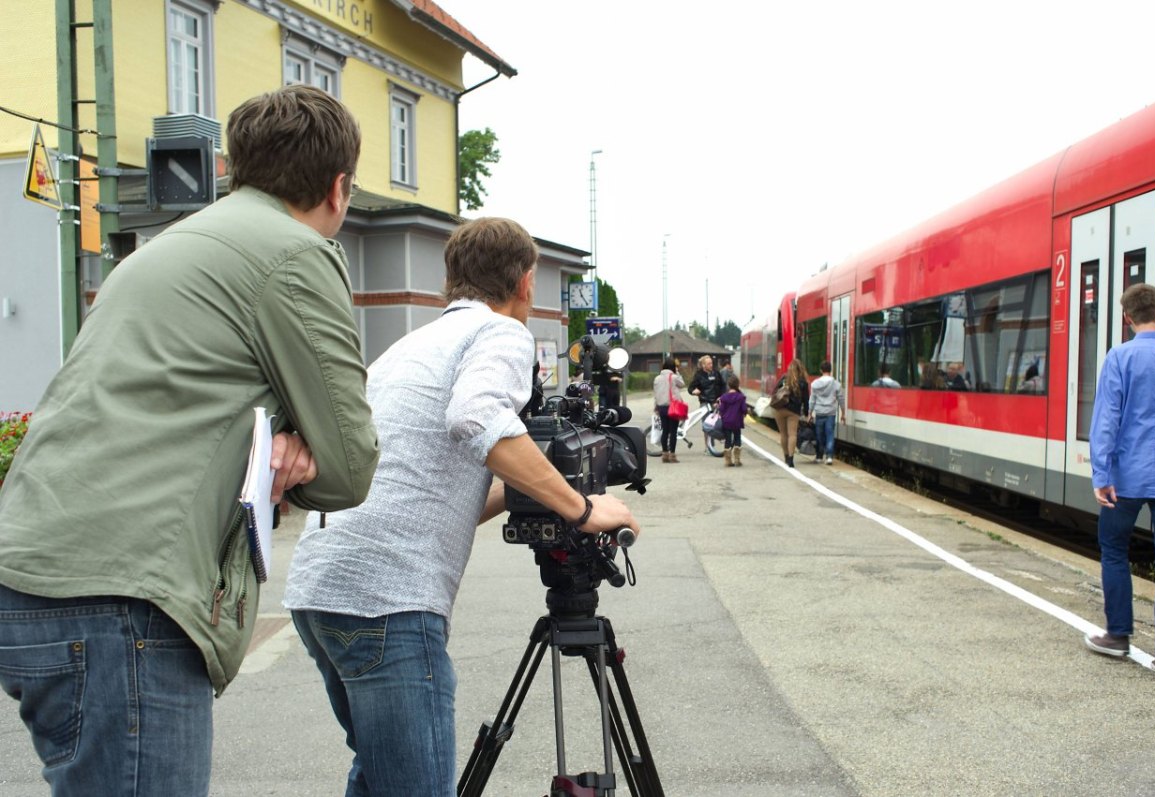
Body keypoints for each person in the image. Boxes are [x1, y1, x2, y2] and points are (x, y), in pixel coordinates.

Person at [0, 85, 380, 795]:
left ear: (235, 168)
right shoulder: (297, 253)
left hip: (32, 573)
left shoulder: (164, 249)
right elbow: (350, 467)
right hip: (124, 596)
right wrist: (298, 445)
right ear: (338, 189)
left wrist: (280, 433)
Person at [284, 217, 641, 796]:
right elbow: (477, 418)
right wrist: (581, 508)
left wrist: (527, 492)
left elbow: (425, 491)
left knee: (379, 777)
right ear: (526, 282)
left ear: (451, 281)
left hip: (321, 590)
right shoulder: (501, 333)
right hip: (388, 601)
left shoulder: (409, 347)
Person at [1084, 283, 1155, 681]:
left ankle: (1118, 635)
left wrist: (1102, 474)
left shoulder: (1119, 357)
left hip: (1125, 479)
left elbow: (1106, 421)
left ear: (1127, 318)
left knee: (1114, 550)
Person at [774, 359, 810, 467]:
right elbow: (806, 400)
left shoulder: (784, 379)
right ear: (801, 369)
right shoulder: (803, 382)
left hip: (779, 409)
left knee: (783, 434)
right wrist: (807, 413)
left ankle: (785, 456)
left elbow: (774, 392)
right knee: (792, 435)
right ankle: (790, 459)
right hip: (793, 411)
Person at [809, 360, 845, 465]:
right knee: (829, 434)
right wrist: (843, 413)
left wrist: (809, 413)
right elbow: (841, 399)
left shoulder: (815, 384)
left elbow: (812, 399)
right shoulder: (836, 384)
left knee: (819, 435)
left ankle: (819, 456)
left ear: (821, 370)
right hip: (831, 413)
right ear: (831, 370)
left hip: (819, 413)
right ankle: (829, 457)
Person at [654, 357, 687, 463]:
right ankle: (672, 455)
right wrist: (677, 372)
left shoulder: (657, 378)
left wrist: (656, 407)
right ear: (673, 367)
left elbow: (656, 394)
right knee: (673, 431)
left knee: (665, 431)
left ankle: (664, 454)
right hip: (673, 407)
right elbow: (682, 384)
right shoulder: (674, 377)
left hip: (661, 407)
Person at [718, 374, 749, 466]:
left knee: (727, 440)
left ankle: (728, 461)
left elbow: (721, 410)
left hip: (726, 422)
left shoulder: (724, 397)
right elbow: (744, 409)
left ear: (728, 385)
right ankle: (737, 460)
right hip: (737, 421)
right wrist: (745, 413)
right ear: (738, 385)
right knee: (737, 438)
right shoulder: (741, 397)